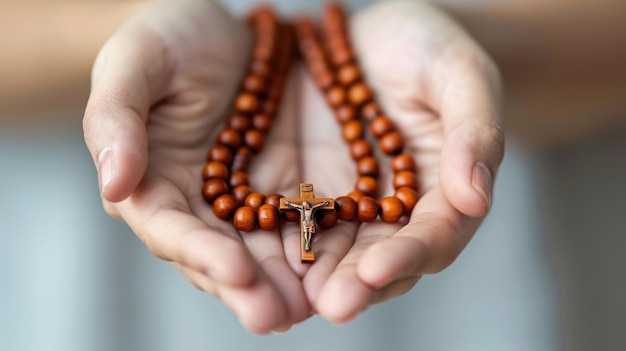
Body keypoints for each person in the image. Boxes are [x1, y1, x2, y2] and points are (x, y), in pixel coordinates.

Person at [81, 0, 626, 336]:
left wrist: (474, 35)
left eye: (307, 211)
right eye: (306, 212)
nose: (306, 213)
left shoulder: (313, 209)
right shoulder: (303, 208)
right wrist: (127, 38)